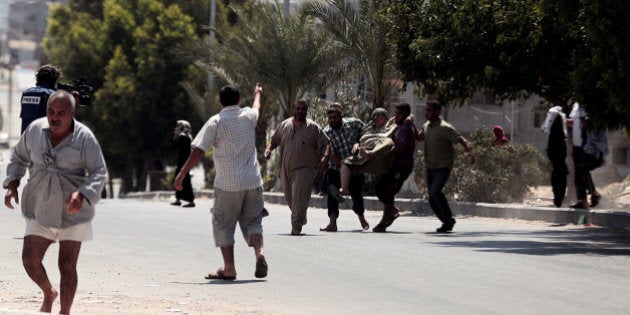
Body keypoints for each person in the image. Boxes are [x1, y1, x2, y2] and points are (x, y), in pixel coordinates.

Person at [4, 90, 107, 314]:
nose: (54, 117)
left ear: (72, 113)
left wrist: (83, 194)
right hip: (41, 203)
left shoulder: (84, 137)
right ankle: (49, 292)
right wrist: (12, 182)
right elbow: (19, 155)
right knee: (30, 259)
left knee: (67, 265)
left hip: (74, 209)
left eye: (61, 112)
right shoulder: (35, 130)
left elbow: (99, 171)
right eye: (51, 111)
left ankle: (64, 312)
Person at [174, 84, 267, 280]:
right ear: (239, 101)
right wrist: (258, 92)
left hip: (227, 184)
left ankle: (229, 268)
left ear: (219, 102)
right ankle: (260, 253)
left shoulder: (216, 122)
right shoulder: (249, 115)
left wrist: (182, 174)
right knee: (253, 222)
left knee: (223, 223)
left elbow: (199, 150)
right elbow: (257, 107)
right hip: (253, 181)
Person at [264, 100, 330, 235]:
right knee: (291, 198)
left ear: (307, 111)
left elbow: (327, 143)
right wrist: (268, 149)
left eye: (303, 109)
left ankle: (296, 227)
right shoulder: (284, 125)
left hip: (304, 168)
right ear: (293, 109)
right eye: (298, 108)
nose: (300, 111)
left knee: (298, 197)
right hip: (285, 169)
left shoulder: (313, 127)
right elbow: (274, 140)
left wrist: (325, 157)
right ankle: (300, 215)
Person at [414, 101, 474, 233]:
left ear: (436, 112)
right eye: (426, 110)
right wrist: (410, 125)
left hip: (443, 165)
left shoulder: (445, 127)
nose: (426, 113)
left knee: (435, 191)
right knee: (431, 197)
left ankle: (448, 220)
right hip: (430, 166)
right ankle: (447, 221)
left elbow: (461, 140)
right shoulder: (426, 126)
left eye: (429, 110)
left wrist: (469, 152)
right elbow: (419, 138)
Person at [320, 103, 369, 232]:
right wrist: (345, 167)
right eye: (330, 118)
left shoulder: (353, 123)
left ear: (341, 116)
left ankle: (361, 217)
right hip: (336, 168)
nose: (332, 120)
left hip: (355, 166)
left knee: (357, 195)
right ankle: (332, 222)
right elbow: (331, 154)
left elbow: (366, 133)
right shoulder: (326, 132)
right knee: (332, 195)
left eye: (335, 117)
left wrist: (358, 143)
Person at [372, 103, 416, 233]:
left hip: (402, 167)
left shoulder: (406, 129)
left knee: (386, 191)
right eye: (396, 113)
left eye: (400, 113)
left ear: (406, 115)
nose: (396, 116)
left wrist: (386, 150)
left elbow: (402, 147)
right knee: (381, 189)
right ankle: (389, 215)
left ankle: (388, 216)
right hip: (394, 166)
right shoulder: (399, 125)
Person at [338, 107, 397, 195]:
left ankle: (371, 153)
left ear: (385, 118)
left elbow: (398, 119)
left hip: (381, 156)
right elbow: (357, 138)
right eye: (374, 115)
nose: (375, 117)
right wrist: (356, 144)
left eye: (378, 115)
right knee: (346, 162)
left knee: (388, 141)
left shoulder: (389, 126)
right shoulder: (368, 128)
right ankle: (344, 189)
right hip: (364, 157)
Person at [567, 102, 602, 208]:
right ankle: (591, 196)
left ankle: (585, 200)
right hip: (582, 142)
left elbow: (581, 122)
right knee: (581, 171)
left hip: (584, 142)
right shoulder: (581, 104)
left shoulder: (582, 104)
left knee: (579, 172)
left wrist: (562, 120)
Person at [20, 64, 61, 133]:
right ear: (53, 80)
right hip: (44, 141)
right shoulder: (51, 95)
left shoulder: (26, 93)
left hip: (25, 140)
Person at [541, 105, 569, 207]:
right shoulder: (561, 135)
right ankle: (559, 199)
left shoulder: (553, 134)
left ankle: (558, 199)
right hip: (560, 163)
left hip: (556, 164)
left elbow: (550, 151)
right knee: (561, 179)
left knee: (557, 179)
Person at [171, 120, 195, 207]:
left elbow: (173, 146)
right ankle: (178, 198)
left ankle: (190, 200)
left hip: (183, 162)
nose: (176, 128)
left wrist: (176, 136)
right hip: (185, 162)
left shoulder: (183, 137)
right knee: (180, 179)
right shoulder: (188, 137)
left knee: (185, 180)